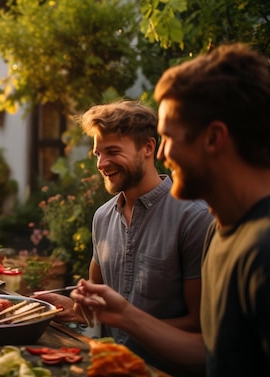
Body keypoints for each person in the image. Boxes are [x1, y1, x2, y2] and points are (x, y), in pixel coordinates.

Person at [70, 43, 270, 376]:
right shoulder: (224, 234)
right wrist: (120, 315)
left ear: (213, 138)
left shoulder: (262, 247)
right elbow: (212, 353)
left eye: (168, 137)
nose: (162, 152)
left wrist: (126, 318)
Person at [37, 100, 214, 373]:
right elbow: (95, 310)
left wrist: (127, 321)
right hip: (111, 367)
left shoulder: (193, 217)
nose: (101, 163)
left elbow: (200, 324)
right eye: (97, 153)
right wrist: (69, 308)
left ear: (148, 147)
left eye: (112, 152)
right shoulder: (102, 217)